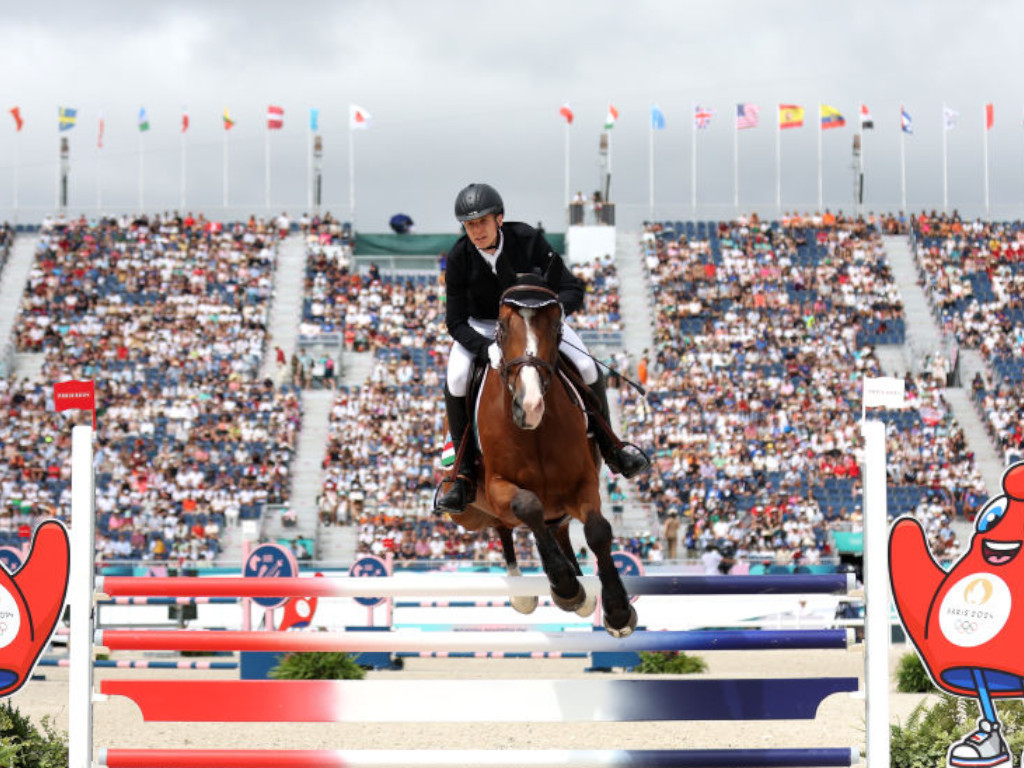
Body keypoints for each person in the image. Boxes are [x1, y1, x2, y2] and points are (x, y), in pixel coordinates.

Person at [434, 183, 649, 514]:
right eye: (470, 224)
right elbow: (455, 321)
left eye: (482, 222)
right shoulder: (460, 257)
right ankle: (462, 475)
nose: (476, 230)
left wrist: (551, 315)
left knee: (589, 367)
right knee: (457, 377)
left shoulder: (527, 239)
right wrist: (484, 349)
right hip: (483, 327)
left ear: (499, 219)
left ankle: (612, 447)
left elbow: (570, 288)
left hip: (535, 322)